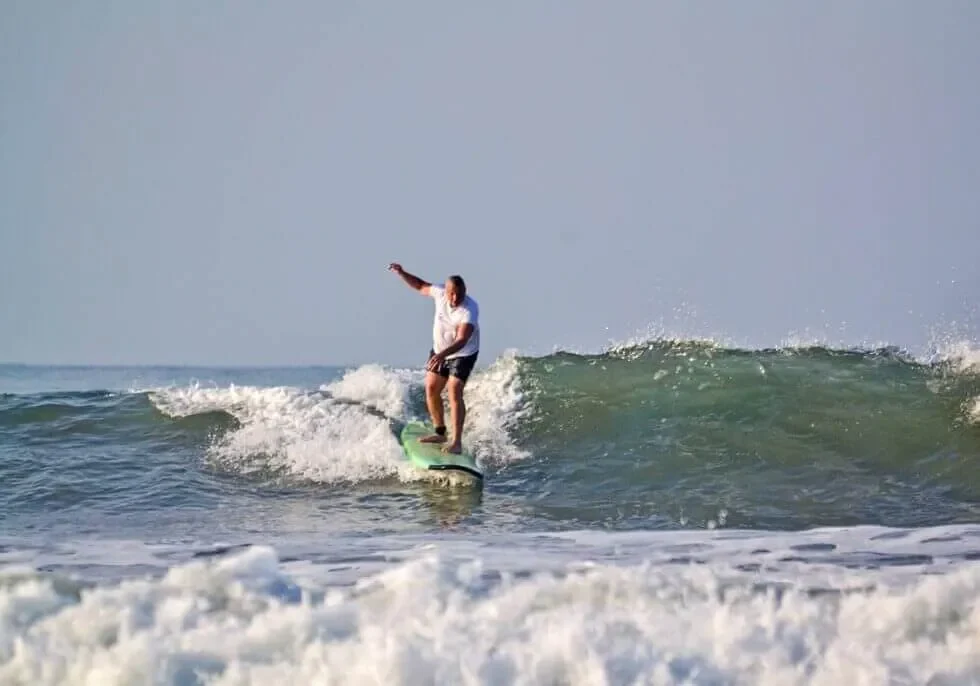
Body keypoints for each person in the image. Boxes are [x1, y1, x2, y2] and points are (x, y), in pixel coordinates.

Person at [387, 263, 479, 454]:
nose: (455, 298)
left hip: (463, 353)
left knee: (454, 390)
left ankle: (457, 442)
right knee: (431, 387)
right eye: (452, 293)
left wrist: (442, 355)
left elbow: (462, 339)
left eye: (459, 294)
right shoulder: (439, 293)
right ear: (446, 291)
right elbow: (420, 286)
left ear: (465, 291)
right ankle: (440, 432)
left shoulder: (469, 310)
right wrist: (402, 273)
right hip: (440, 351)